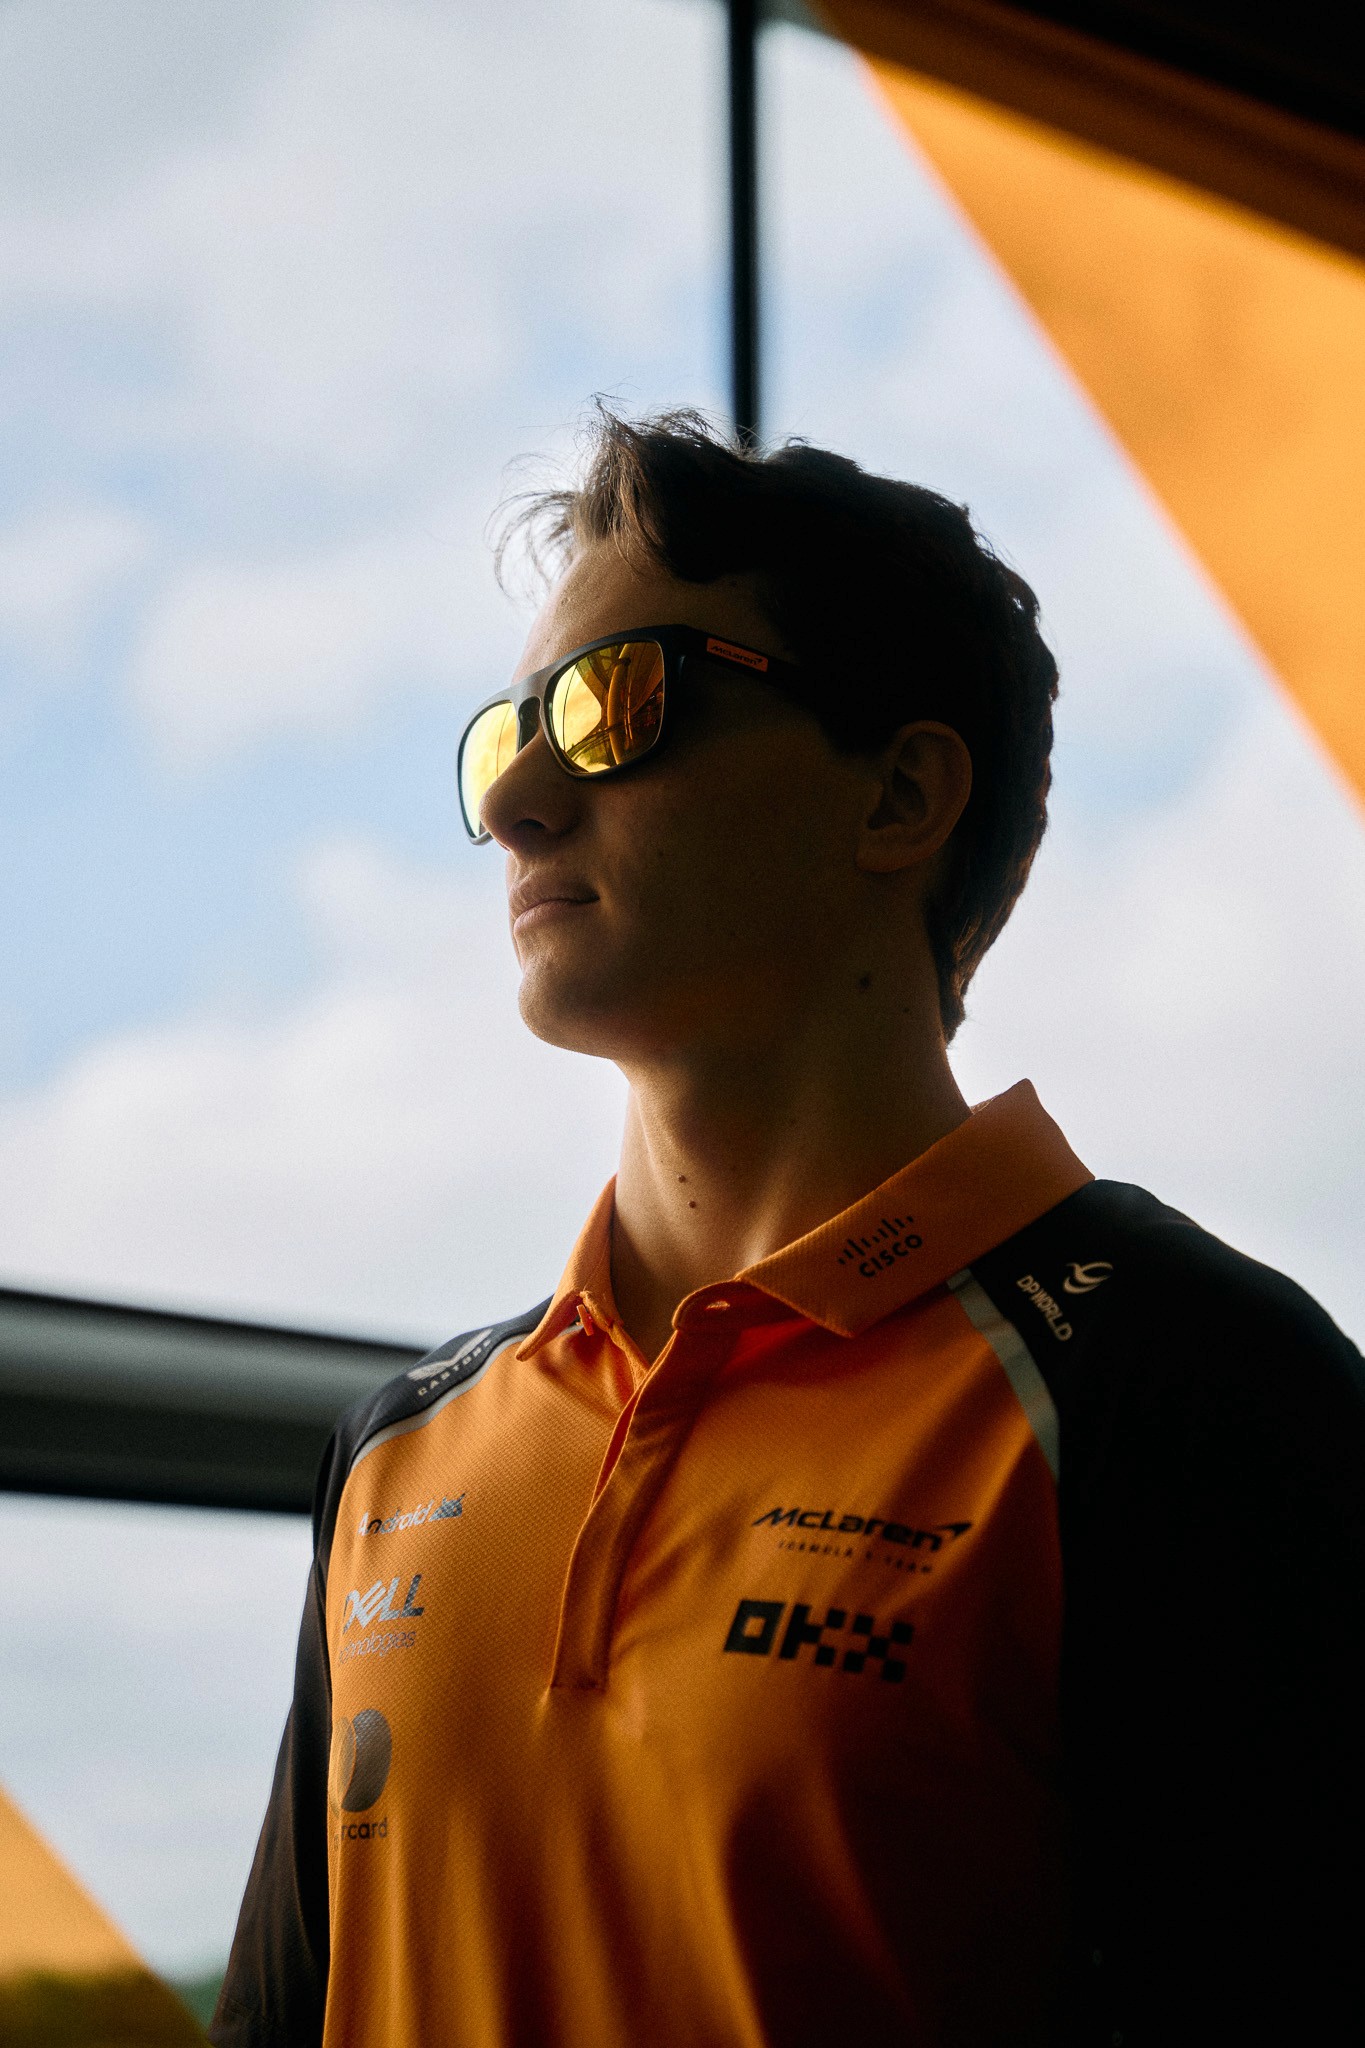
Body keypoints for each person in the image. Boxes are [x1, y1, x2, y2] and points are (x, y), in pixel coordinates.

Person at [211, 411, 1365, 2048]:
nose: (520, 802)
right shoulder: (399, 1451)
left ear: (896, 792)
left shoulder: (1187, 1393)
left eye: (619, 709)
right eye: (504, 737)